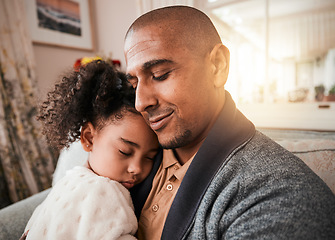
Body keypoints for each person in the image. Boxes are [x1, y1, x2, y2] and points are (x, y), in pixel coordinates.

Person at [124, 6, 335, 240]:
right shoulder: (132, 153)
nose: (140, 103)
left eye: (160, 74)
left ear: (218, 66)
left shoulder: (284, 197)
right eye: (134, 84)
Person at [22, 60, 159, 239]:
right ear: (88, 138)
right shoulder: (105, 191)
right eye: (125, 151)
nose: (137, 168)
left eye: (150, 157)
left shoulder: (69, 179)